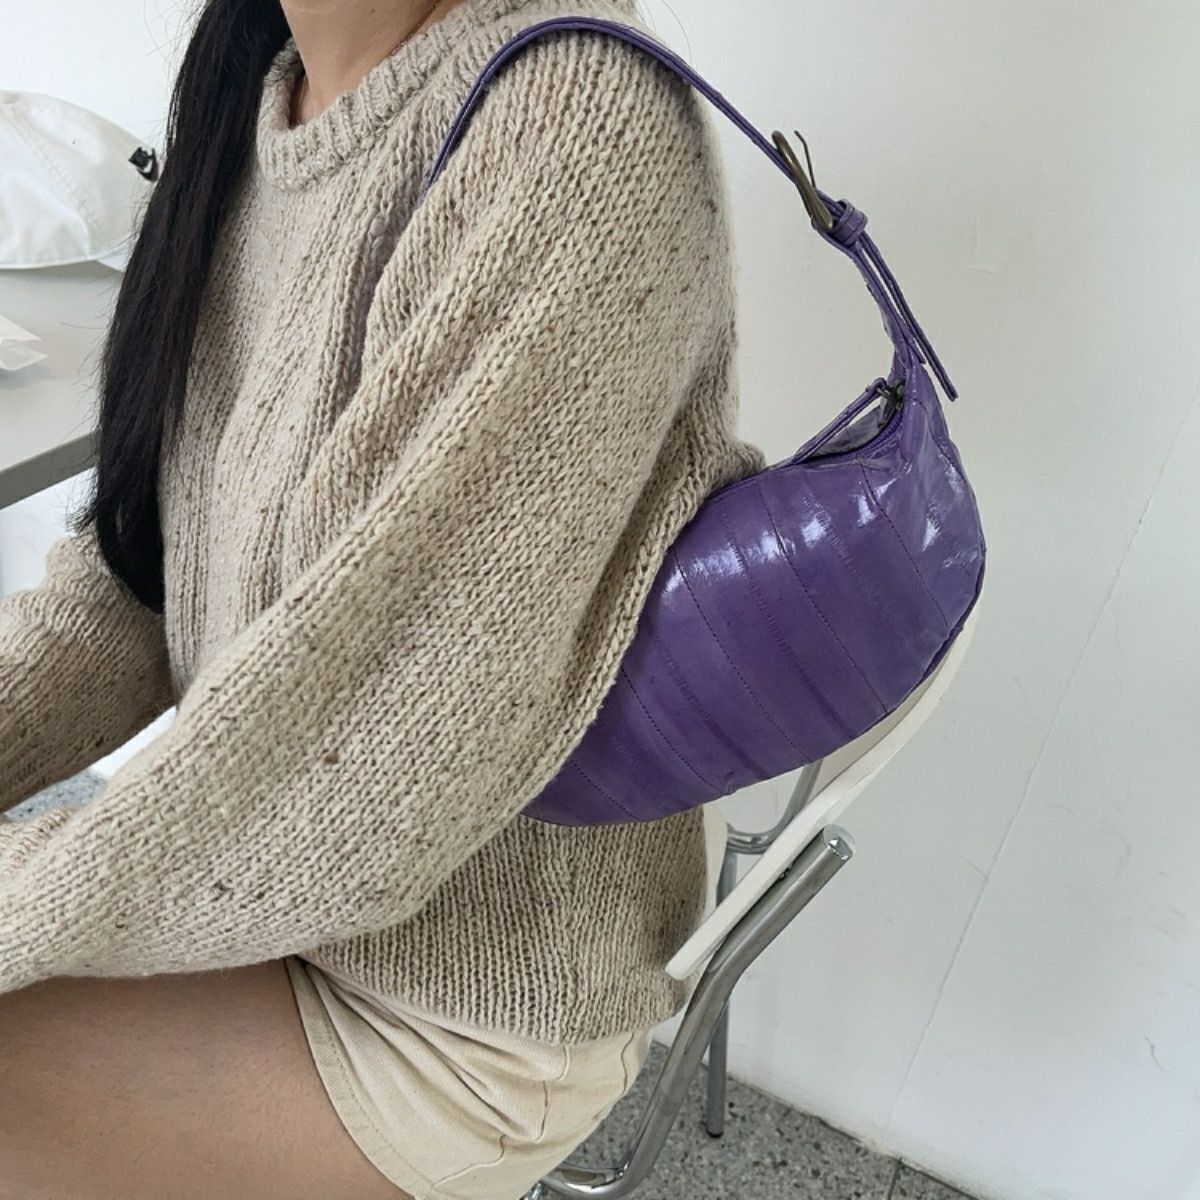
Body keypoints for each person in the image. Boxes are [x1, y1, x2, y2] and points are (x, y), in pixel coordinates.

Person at [0, 0, 767, 1195]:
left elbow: (354, 787)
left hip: (453, 1011)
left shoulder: (571, 131)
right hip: (261, 889)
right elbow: (129, 588)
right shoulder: (255, 93)